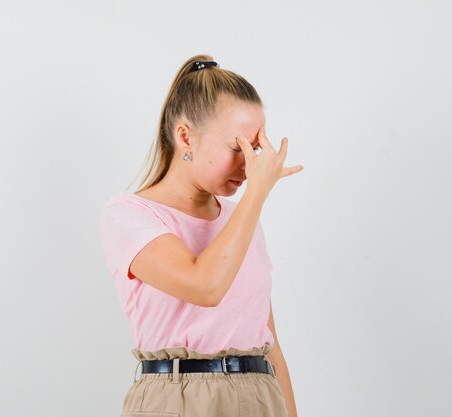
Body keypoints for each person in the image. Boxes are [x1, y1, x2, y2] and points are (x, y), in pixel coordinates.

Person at [99, 54, 304, 417]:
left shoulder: (242, 219)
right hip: (176, 398)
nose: (250, 164)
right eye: (236, 148)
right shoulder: (129, 214)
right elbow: (204, 286)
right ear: (185, 137)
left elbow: (269, 343)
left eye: (254, 150)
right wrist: (255, 195)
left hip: (259, 395)